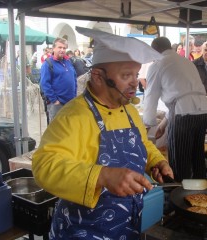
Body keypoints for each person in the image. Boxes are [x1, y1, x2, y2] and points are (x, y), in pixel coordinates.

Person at [32, 27, 173, 240]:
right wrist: (101, 175)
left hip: (126, 226)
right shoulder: (74, 115)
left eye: (136, 74)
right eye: (126, 75)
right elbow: (43, 165)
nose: (135, 82)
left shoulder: (130, 110)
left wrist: (156, 161)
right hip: (82, 231)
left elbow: (142, 143)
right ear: (98, 76)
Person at [143, 37, 207, 181]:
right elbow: (183, 95)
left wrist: (147, 125)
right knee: (197, 155)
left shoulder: (157, 65)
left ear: (154, 50)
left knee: (179, 159)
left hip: (183, 114)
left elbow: (150, 97)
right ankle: (201, 194)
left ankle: (178, 194)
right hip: (203, 110)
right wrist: (163, 123)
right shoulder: (186, 61)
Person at [40, 37, 77, 122]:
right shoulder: (48, 64)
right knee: (56, 131)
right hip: (57, 104)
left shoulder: (68, 62)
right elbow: (45, 84)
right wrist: (55, 101)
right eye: (59, 47)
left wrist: (74, 96)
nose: (62, 50)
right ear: (53, 48)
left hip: (70, 103)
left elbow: (74, 78)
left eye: (64, 48)